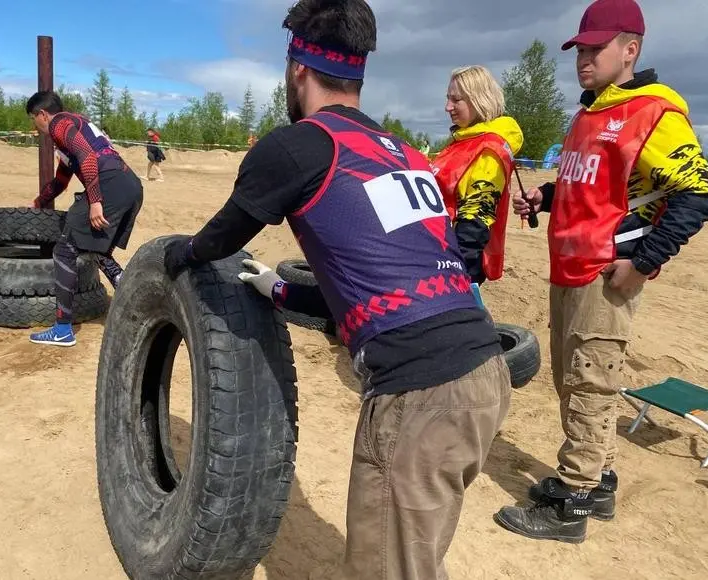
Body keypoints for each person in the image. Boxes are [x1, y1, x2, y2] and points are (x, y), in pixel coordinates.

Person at [162, 0, 511, 577]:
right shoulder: (405, 154)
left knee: (386, 568)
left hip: (417, 395)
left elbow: (222, 237)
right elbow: (379, 287)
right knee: (415, 554)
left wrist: (179, 255)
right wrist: (279, 290)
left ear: (297, 67)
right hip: (483, 376)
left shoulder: (295, 145)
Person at [495, 0, 708, 543]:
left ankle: (572, 503)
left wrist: (642, 264)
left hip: (603, 275)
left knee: (591, 383)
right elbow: (587, 185)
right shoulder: (590, 111)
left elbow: (698, 194)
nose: (584, 58)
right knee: (574, 382)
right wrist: (545, 197)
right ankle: (598, 481)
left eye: (597, 48)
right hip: (568, 268)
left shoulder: (652, 113)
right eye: (581, 48)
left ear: (630, 49)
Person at [25, 91, 144, 347]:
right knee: (96, 249)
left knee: (64, 250)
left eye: (33, 119)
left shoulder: (59, 124)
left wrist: (96, 200)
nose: (35, 125)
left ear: (42, 115)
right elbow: (60, 181)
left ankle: (62, 329)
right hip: (130, 186)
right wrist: (38, 201)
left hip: (109, 184)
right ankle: (136, 302)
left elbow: (88, 158)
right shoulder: (74, 130)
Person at [430, 65, 523, 284]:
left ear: (478, 100)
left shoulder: (488, 149)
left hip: (456, 261)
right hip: (438, 251)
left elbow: (476, 220)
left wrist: (458, 276)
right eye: (447, 98)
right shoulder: (462, 142)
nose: (447, 107)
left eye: (456, 100)